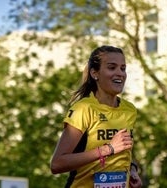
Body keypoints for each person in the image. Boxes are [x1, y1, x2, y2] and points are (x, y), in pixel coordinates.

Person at [50, 45, 142, 188]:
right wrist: (108, 149)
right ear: (95, 73)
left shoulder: (129, 110)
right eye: (112, 67)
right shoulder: (84, 109)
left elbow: (123, 151)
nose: (120, 73)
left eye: (123, 68)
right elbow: (57, 164)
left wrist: (132, 170)